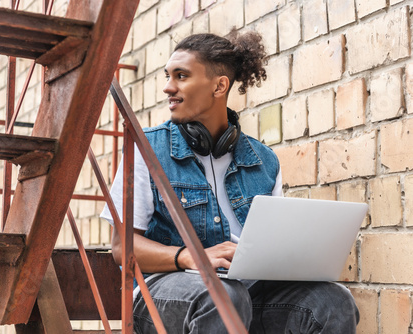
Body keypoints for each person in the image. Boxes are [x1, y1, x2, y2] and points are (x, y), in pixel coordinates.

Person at [100, 32, 359, 333]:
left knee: (333, 301)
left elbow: (270, 244)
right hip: (163, 292)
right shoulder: (146, 149)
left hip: (245, 292)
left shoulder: (264, 161)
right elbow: (122, 248)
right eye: (168, 76)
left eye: (181, 76)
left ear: (219, 85)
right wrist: (190, 257)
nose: (168, 87)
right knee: (224, 297)